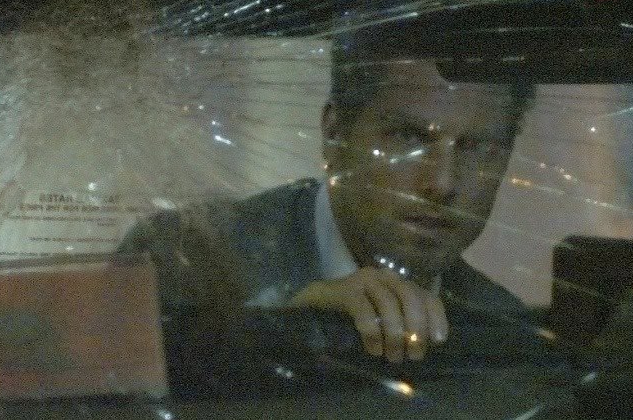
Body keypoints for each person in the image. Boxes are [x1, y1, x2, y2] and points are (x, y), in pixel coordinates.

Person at [122, 39, 533, 363]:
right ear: (335, 135)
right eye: (408, 138)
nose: (442, 184)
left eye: (479, 148)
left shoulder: (508, 332)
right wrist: (284, 327)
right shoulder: (180, 256)